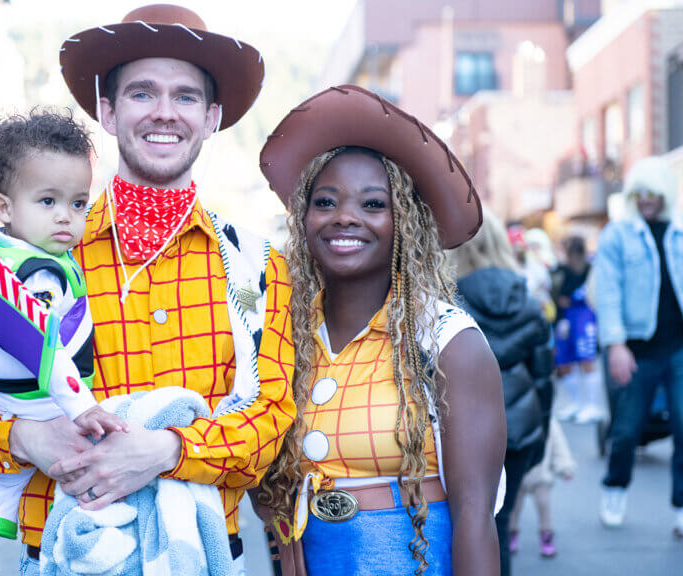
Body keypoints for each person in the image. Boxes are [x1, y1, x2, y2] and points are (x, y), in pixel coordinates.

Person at [0, 5, 294, 576]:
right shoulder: (35, 253)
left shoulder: (254, 266)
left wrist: (168, 451)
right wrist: (27, 439)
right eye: (142, 93)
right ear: (107, 108)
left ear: (212, 115)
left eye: (186, 96)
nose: (165, 113)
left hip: (200, 558)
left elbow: (271, 418)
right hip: (57, 557)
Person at [255, 85, 503, 576]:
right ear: (304, 217)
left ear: (404, 222)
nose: (344, 216)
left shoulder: (449, 343)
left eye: (373, 205)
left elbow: (476, 518)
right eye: (325, 201)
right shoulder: (284, 333)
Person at [0, 110, 129, 575]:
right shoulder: (40, 272)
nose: (66, 217)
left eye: (79, 203)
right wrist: (82, 408)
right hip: (40, 396)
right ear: (4, 206)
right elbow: (45, 348)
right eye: (47, 201)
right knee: (92, 455)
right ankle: (101, 526)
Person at [452, 210, 553, 576]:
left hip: (463, 431)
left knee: (462, 522)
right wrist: (539, 438)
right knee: (498, 520)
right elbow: (544, 379)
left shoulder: (444, 302)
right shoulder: (529, 304)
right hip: (520, 429)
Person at [592, 155, 683, 536]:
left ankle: (681, 506)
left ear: (663, 193)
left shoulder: (679, 232)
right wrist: (615, 344)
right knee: (627, 430)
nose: (646, 199)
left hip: (678, 349)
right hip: (636, 350)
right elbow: (608, 291)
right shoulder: (618, 235)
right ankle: (615, 487)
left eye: (652, 192)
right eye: (639, 192)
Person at [550, 236, 601, 423]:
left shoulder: (591, 269)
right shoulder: (560, 270)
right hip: (565, 319)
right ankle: (576, 403)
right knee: (564, 362)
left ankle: (592, 406)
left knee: (586, 359)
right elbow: (556, 295)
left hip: (584, 317)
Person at [508, 416, 575, 558]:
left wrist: (565, 467)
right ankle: (511, 533)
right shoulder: (517, 418)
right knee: (514, 508)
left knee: (543, 505)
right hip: (519, 474)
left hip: (541, 476)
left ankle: (546, 535)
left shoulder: (548, 422)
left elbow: (559, 447)